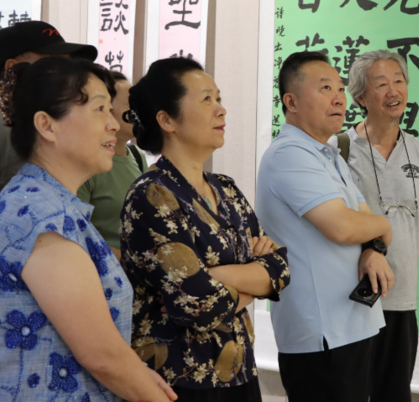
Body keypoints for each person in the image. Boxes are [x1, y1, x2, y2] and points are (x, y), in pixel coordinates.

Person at [0, 57, 176, 402]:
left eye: (111, 109)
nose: (113, 124)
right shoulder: (40, 215)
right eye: (99, 109)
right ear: (47, 126)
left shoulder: (53, 205)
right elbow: (103, 358)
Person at [120, 57, 289, 402]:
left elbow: (281, 267)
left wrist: (216, 275)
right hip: (179, 379)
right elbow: (197, 305)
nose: (221, 110)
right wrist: (254, 281)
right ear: (167, 120)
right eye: (207, 99)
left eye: (219, 98)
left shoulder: (225, 188)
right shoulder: (152, 195)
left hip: (239, 369)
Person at [256, 51, 394, 402]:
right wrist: (381, 223)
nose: (339, 98)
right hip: (321, 333)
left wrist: (374, 249)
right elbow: (344, 228)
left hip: (354, 322)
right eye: (325, 88)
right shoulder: (289, 154)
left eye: (340, 88)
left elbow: (367, 225)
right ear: (291, 102)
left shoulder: (328, 154)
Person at [341, 49, 419, 402]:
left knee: (394, 394)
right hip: (351, 299)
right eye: (381, 84)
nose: (393, 91)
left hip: (402, 301)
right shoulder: (339, 149)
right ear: (360, 97)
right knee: (350, 393)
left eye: (399, 81)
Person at [0, 20, 98, 191]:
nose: (65, 75)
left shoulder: (47, 119)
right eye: (51, 64)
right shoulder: (9, 126)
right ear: (12, 68)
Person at [78, 71, 148, 260]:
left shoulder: (137, 156)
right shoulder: (87, 163)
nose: (138, 111)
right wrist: (133, 263)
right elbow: (76, 235)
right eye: (130, 104)